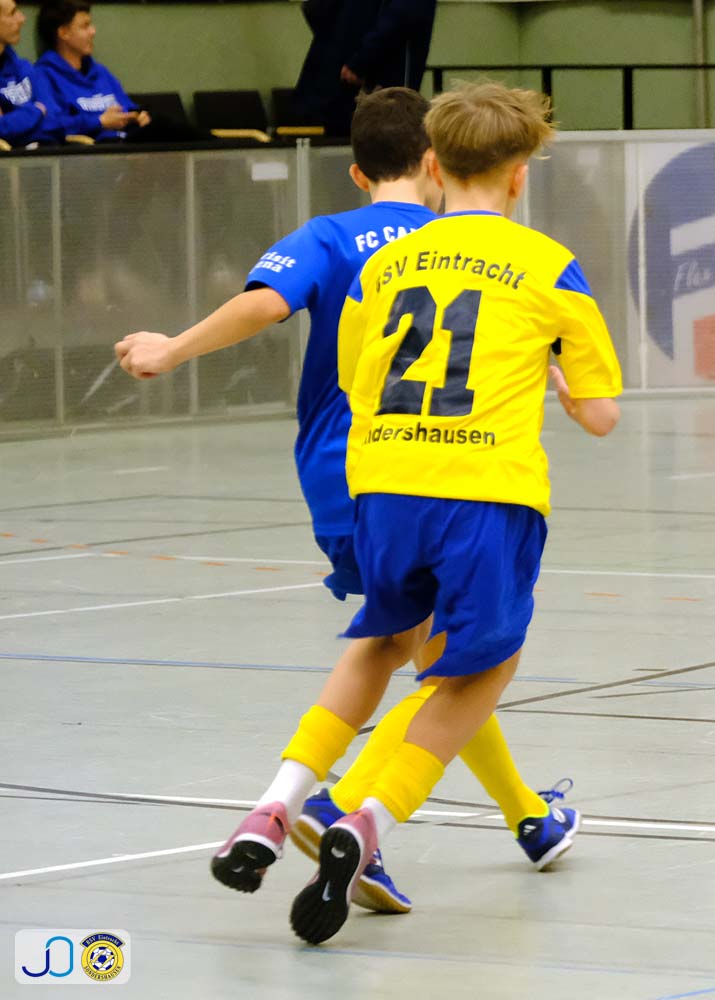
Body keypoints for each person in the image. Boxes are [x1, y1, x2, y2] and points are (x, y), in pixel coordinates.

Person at [114, 87, 576, 917]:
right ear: (436, 163)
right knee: (457, 660)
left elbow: (266, 301)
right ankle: (349, 806)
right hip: (432, 468)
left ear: (357, 172)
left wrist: (172, 348)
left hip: (342, 477)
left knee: (431, 650)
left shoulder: (329, 237)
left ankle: (527, 819)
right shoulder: (460, 245)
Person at [293, 0, 438, 138]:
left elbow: (315, 9)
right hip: (382, 77)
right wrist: (361, 61)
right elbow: (402, 16)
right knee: (389, 142)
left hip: (332, 77)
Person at [33, 0, 147, 142]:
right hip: (92, 149)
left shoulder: (100, 72)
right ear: (63, 32)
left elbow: (128, 107)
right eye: (85, 26)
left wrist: (139, 116)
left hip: (127, 141)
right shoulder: (43, 75)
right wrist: (99, 121)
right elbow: (50, 125)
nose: (93, 31)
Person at [0, 0, 64, 147]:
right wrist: (37, 111)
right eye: (12, 13)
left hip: (44, 152)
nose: (22, 19)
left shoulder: (24, 67)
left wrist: (16, 122)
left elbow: (56, 121)